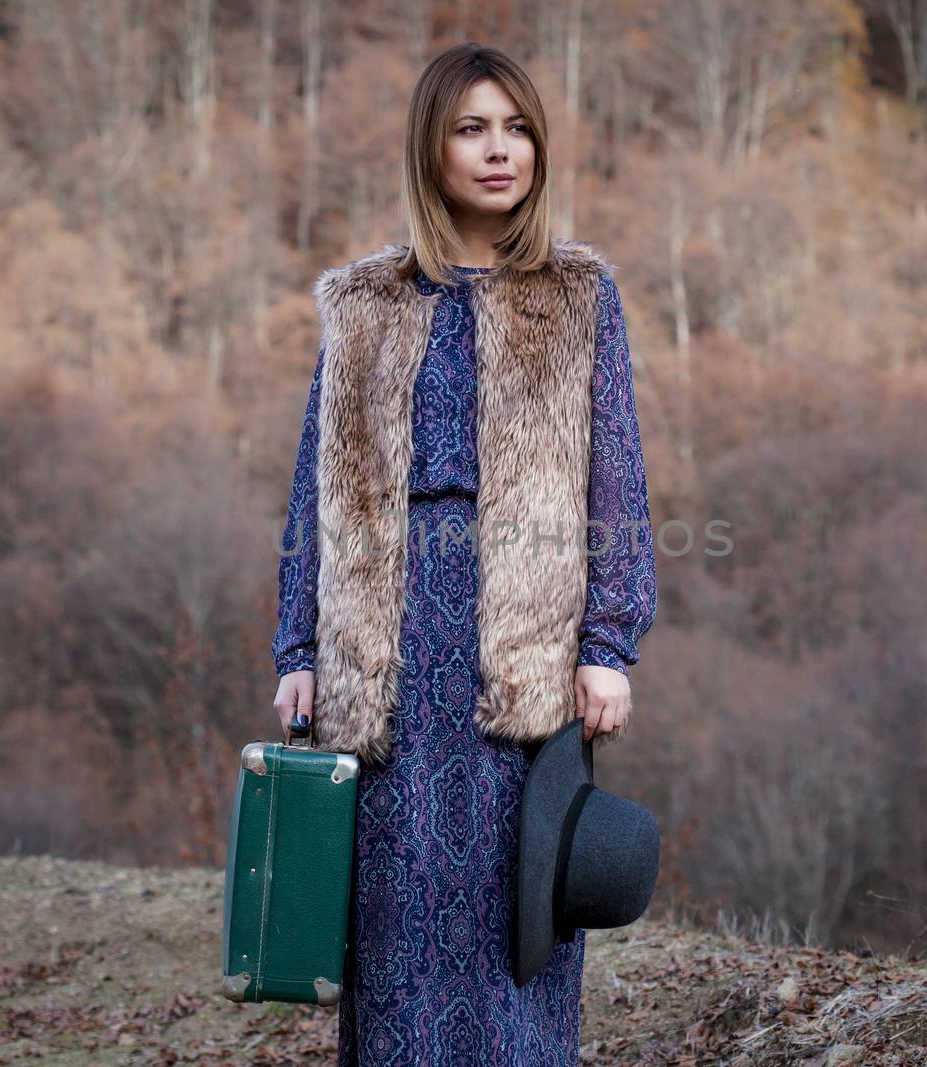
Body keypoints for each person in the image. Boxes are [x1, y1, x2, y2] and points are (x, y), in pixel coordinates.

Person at [270, 42, 657, 1067]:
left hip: (519, 658)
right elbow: (315, 491)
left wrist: (607, 640)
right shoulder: (362, 306)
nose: (500, 151)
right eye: (472, 128)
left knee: (515, 931)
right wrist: (296, 650)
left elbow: (614, 478)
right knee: (395, 935)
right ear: (429, 147)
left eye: (517, 128)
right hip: (387, 660)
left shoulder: (577, 296)